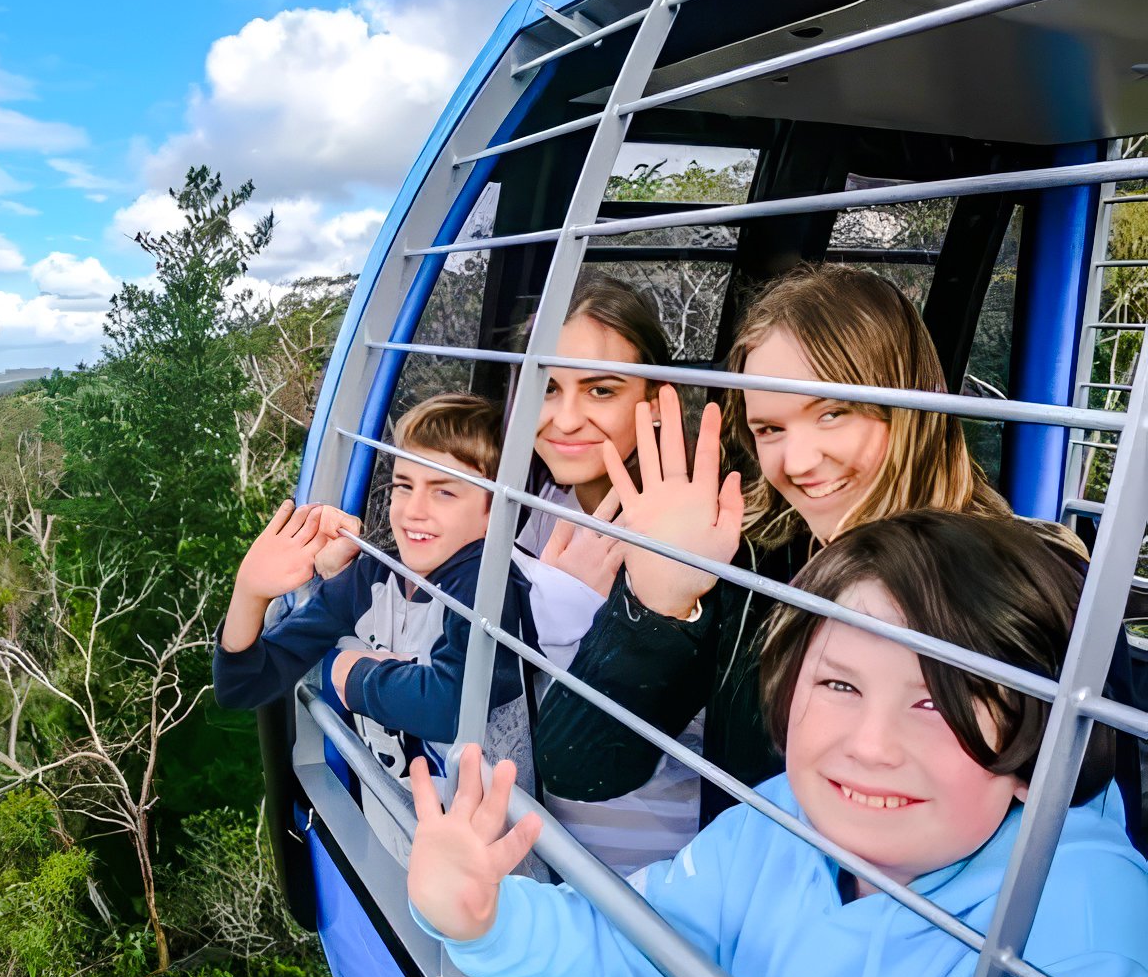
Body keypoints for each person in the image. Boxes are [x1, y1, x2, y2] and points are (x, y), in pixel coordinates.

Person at [410, 512, 1148, 977]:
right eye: (838, 684)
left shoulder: (1082, 940)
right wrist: (486, 916)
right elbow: (646, 935)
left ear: (1037, 737)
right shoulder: (783, 823)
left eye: (934, 702)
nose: (869, 746)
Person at [534, 265, 1031, 821]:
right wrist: (657, 606)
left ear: (911, 402)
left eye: (833, 413)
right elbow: (577, 765)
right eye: (770, 429)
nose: (797, 463)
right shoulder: (751, 563)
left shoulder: (1025, 580)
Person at [213, 392, 536, 857]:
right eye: (404, 485)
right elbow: (242, 685)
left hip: (491, 873)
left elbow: (448, 705)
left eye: (444, 490)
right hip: (398, 839)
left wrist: (350, 674)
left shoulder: (491, 585)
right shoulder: (372, 577)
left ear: (495, 509)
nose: (413, 510)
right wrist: (250, 592)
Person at [515, 274, 704, 877]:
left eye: (600, 390)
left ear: (655, 403)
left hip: (648, 871)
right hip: (542, 847)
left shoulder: (686, 530)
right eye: (547, 388)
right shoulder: (543, 502)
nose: (564, 420)